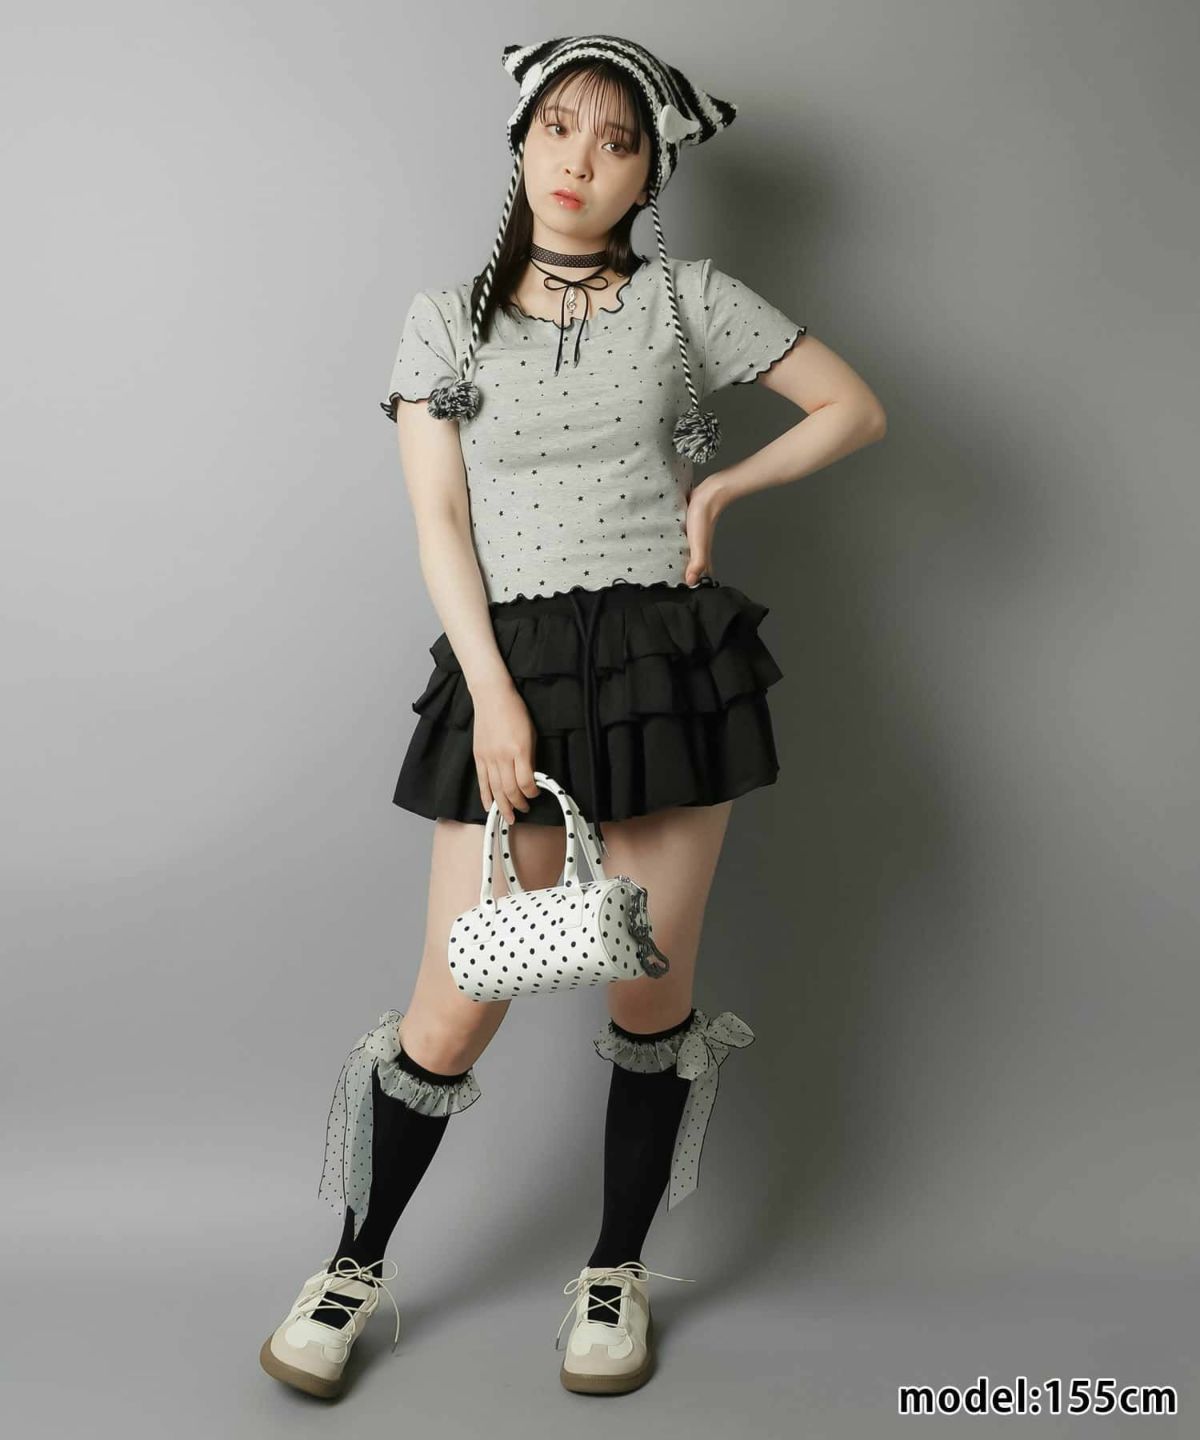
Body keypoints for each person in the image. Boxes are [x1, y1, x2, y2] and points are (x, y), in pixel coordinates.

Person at [260, 33, 887, 1402]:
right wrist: (492, 694)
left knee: (650, 992)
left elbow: (852, 407)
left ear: (649, 172)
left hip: (666, 664)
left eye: (615, 141)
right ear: (521, 142)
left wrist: (720, 490)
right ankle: (353, 1265)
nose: (580, 161)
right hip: (517, 666)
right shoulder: (446, 319)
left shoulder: (689, 301)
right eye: (558, 128)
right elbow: (440, 520)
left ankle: (614, 1273)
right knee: (453, 1005)